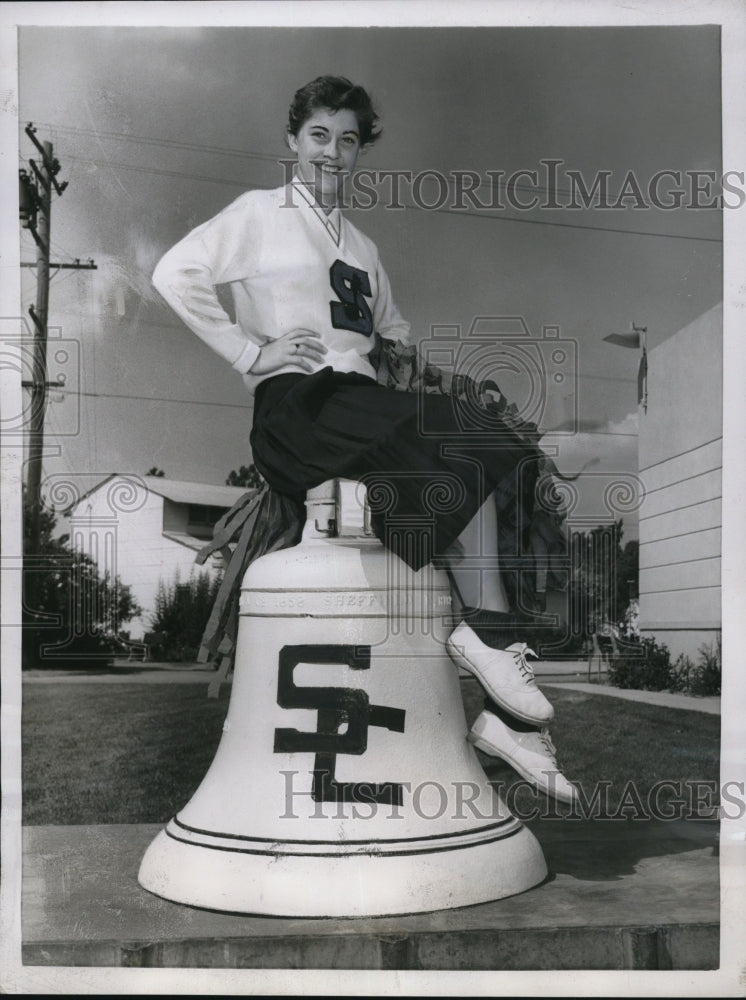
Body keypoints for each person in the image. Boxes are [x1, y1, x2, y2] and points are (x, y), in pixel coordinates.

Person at [152, 75, 577, 804]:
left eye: (348, 141)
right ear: (293, 141)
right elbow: (174, 272)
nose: (332, 153)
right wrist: (249, 354)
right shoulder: (259, 214)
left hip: (361, 408)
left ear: (358, 152)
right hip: (299, 411)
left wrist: (404, 366)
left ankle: (507, 715)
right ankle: (491, 654)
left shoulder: (363, 245)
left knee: (484, 449)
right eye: (319, 135)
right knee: (469, 442)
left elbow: (396, 337)